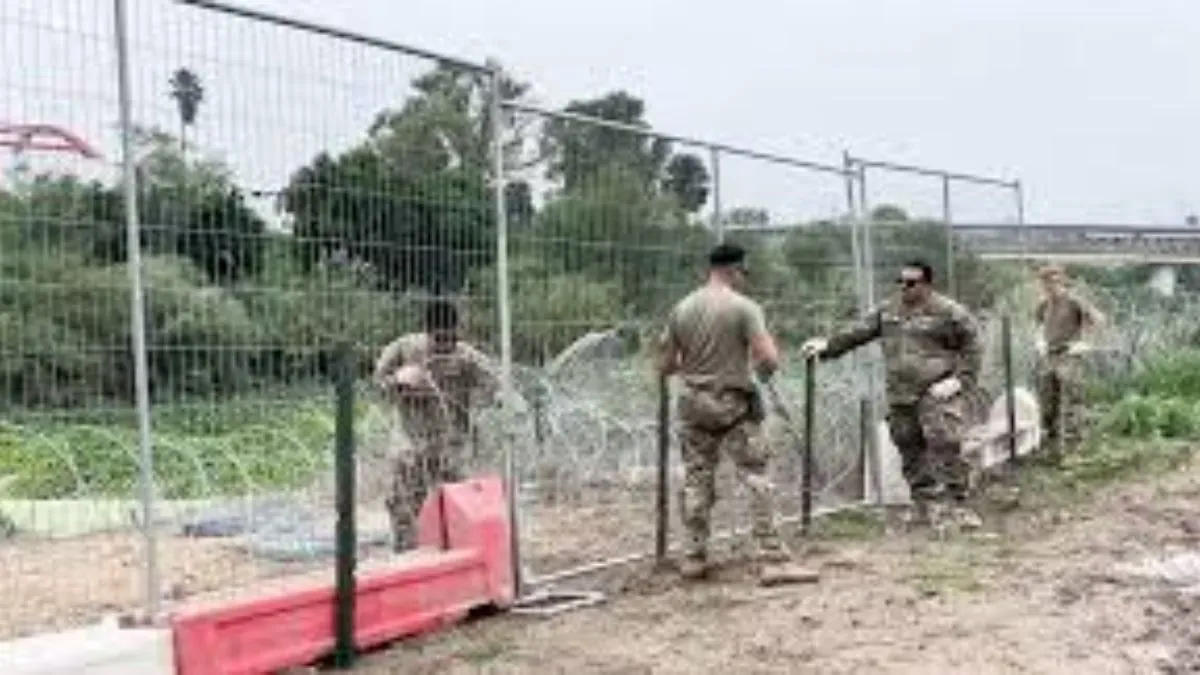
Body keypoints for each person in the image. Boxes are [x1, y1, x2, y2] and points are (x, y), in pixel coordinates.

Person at [659, 242, 817, 584]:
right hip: (733, 404)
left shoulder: (681, 308)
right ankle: (773, 558)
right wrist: (759, 375)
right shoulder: (744, 308)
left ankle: (694, 557)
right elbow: (768, 358)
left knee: (697, 477)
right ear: (735, 270)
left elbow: (665, 364)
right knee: (755, 474)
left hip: (693, 405)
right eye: (743, 273)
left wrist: (696, 369)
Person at [801, 260, 983, 531]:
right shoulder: (888, 311)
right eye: (899, 281)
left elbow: (974, 345)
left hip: (937, 389)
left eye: (910, 283)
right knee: (908, 446)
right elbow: (858, 332)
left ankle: (958, 506)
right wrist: (827, 347)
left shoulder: (949, 312)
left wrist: (960, 380)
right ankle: (925, 505)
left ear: (926, 284)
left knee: (945, 442)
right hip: (901, 393)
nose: (903, 287)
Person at [373, 299, 500, 551]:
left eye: (451, 340)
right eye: (439, 340)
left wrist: (486, 399)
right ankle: (406, 549)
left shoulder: (466, 357)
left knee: (460, 498)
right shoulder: (403, 349)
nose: (445, 346)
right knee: (402, 499)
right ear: (427, 332)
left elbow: (494, 384)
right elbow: (378, 382)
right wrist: (400, 384)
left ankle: (457, 547)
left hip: (452, 442)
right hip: (412, 438)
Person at [1033, 264, 1105, 459]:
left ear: (1062, 281)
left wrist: (1085, 343)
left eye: (1055, 282)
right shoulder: (1044, 305)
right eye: (1046, 282)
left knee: (1070, 400)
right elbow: (1039, 325)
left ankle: (1074, 448)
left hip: (1069, 356)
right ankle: (1051, 445)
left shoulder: (1074, 302)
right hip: (1049, 355)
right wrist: (1038, 340)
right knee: (1047, 400)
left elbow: (1098, 320)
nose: (1051, 286)